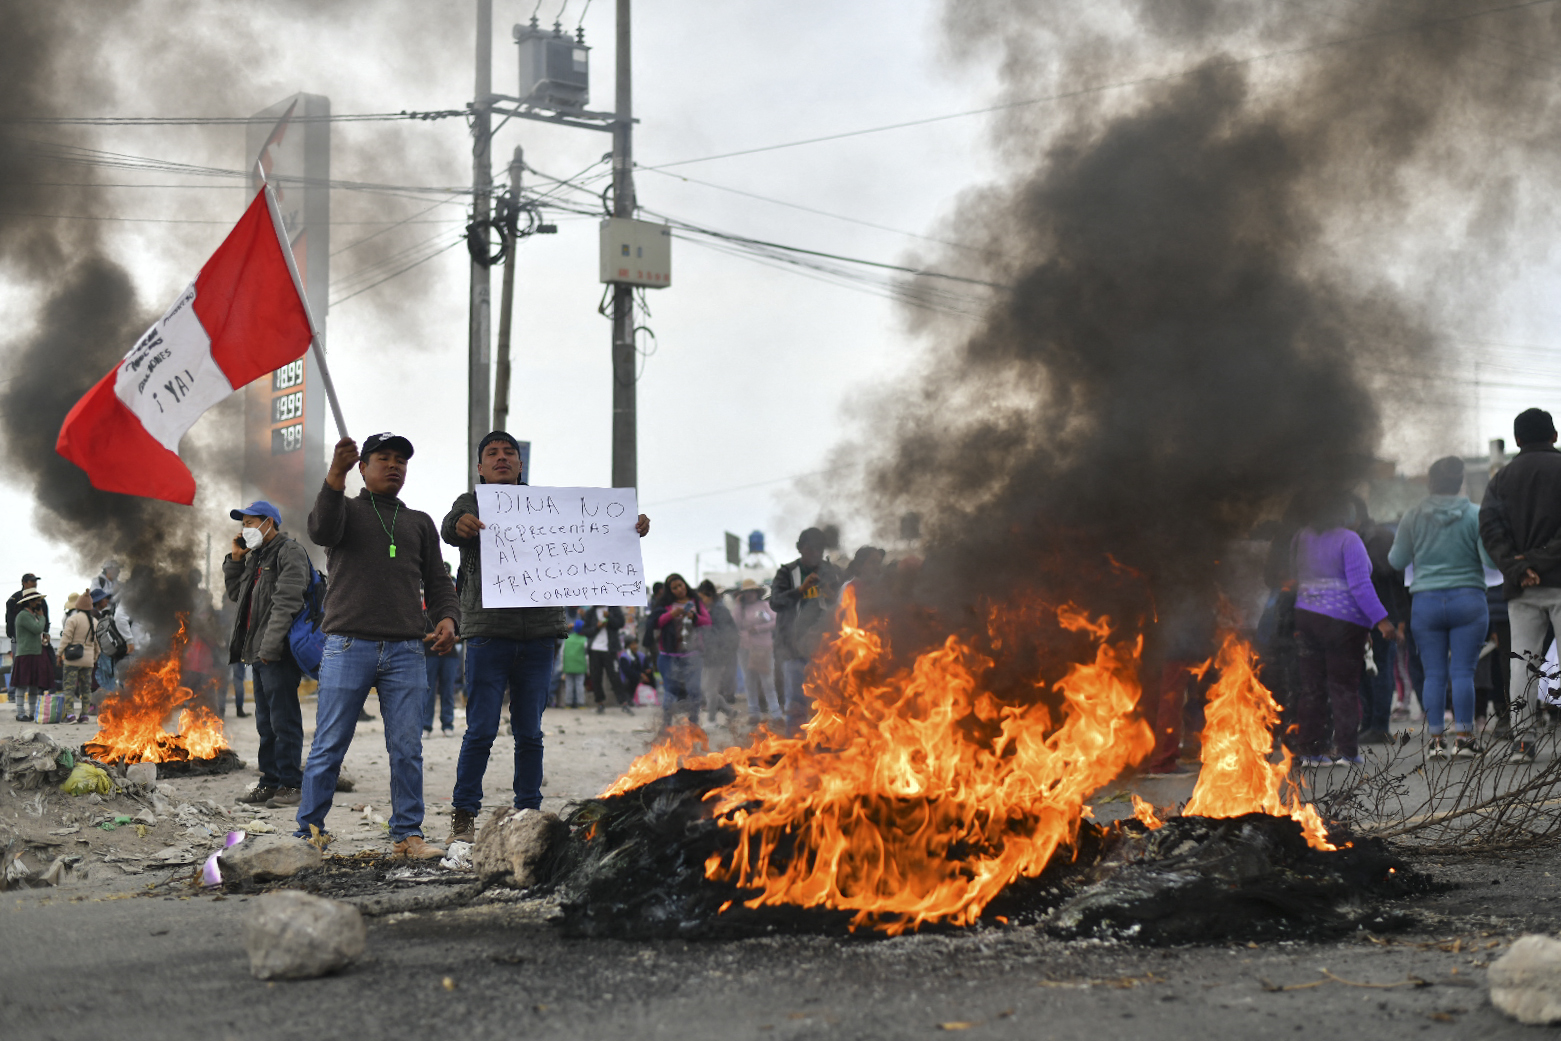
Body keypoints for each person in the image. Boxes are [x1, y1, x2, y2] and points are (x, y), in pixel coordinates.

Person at [439, 430, 650, 844]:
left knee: (530, 732)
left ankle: (528, 812)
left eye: (509, 453)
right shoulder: (472, 502)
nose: (501, 459)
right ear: (479, 468)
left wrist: (630, 526)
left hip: (539, 636)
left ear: (521, 464)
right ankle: (464, 814)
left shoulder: (547, 506)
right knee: (480, 730)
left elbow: (600, 536)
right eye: (492, 454)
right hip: (486, 634)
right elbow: (449, 528)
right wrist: (459, 525)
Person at [296, 432, 459, 860]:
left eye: (400, 460)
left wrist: (447, 617)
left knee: (407, 747)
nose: (393, 466)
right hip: (349, 645)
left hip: (407, 650)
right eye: (382, 459)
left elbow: (439, 580)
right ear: (363, 468)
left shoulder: (419, 522)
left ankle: (408, 834)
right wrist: (335, 473)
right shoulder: (345, 510)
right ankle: (309, 833)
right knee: (329, 744)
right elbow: (320, 528)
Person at [1389, 456, 1495, 757]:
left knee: (1433, 674)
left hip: (1426, 601)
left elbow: (1396, 560)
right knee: (1463, 672)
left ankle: (1436, 742)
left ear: (1430, 482)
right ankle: (1464, 738)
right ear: (1459, 482)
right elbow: (1489, 560)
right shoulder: (1475, 514)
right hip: (1469, 599)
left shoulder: (1413, 515)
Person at [1290, 493, 1397, 766]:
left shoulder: (1301, 537)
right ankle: (1347, 751)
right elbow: (1361, 586)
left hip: (1305, 617)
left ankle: (1310, 751)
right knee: (1344, 688)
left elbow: (1294, 574)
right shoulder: (1350, 540)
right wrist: (1381, 621)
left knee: (1311, 688)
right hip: (1343, 623)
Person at [1479, 408, 1561, 762]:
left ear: (1517, 440)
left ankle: (1522, 742)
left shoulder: (1500, 479)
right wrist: (1538, 562)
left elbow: (1489, 530)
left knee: (1522, 663)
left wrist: (1518, 567)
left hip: (1521, 589)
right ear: (1554, 435)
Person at [223, 500, 313, 807]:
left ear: (269, 523)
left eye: (250, 523)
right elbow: (237, 595)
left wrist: (270, 647)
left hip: (277, 651)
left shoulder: (290, 553)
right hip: (258, 651)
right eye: (243, 524)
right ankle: (270, 781)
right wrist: (235, 560)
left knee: (283, 719)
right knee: (266, 722)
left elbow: (287, 603)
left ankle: (291, 784)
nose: (245, 529)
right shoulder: (256, 558)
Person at [768, 528, 845, 735]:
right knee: (796, 703)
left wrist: (832, 596)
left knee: (830, 701)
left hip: (826, 648)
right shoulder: (787, 572)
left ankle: (827, 746)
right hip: (793, 649)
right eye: (810, 549)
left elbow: (843, 604)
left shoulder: (833, 572)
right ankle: (795, 748)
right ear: (801, 549)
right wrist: (800, 590)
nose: (815, 554)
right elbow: (775, 602)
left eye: (819, 549)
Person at [655, 573, 710, 730]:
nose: (679, 590)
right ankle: (666, 727)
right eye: (674, 588)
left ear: (685, 584)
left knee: (694, 691)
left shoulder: (696, 603)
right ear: (669, 591)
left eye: (681, 585)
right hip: (669, 656)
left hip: (692, 655)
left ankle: (693, 726)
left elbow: (707, 621)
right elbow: (657, 622)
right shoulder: (664, 605)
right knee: (669, 693)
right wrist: (671, 614)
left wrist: (694, 617)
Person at [734, 580, 778, 726]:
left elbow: (775, 622)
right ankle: (753, 712)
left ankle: (775, 713)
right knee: (749, 681)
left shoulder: (765, 606)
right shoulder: (741, 608)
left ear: (757, 593)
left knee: (767, 681)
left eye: (752, 591)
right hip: (745, 648)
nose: (749, 594)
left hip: (763, 648)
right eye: (746, 592)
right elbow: (736, 623)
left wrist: (758, 629)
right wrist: (738, 605)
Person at [696, 580, 740, 725]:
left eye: (702, 598)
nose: (700, 601)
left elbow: (725, 634)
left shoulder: (719, 611)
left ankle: (712, 720)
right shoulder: (708, 611)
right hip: (709, 655)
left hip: (717, 655)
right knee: (707, 688)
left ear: (710, 596)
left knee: (709, 688)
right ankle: (729, 711)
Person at [580, 605, 629, 714]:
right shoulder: (591, 612)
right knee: (596, 677)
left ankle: (623, 702)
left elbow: (620, 623)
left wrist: (610, 617)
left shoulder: (613, 608)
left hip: (610, 649)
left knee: (615, 676)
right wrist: (597, 627)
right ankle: (600, 703)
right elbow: (586, 631)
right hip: (594, 649)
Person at [11, 590, 52, 722]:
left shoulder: (33, 615)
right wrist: (42, 617)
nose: (40, 603)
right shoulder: (23, 615)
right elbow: (36, 628)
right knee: (21, 685)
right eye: (37, 600)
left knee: (34, 685)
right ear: (30, 602)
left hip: (35, 653)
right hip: (25, 653)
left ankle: (33, 713)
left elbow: (39, 630)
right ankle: (20, 712)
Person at [58, 592, 98, 723]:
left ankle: (70, 715)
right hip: (88, 660)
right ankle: (84, 715)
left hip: (72, 659)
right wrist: (94, 657)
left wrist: (59, 653)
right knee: (86, 688)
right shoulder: (95, 622)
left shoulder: (73, 619)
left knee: (69, 687)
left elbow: (66, 638)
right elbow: (97, 644)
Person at [618, 636, 655, 704]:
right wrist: (640, 675)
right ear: (628, 646)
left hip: (641, 678)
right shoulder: (624, 657)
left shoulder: (641, 656)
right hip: (629, 680)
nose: (635, 646)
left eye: (636, 644)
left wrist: (647, 671)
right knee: (631, 679)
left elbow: (646, 667)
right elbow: (627, 671)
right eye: (633, 644)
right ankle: (629, 699)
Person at [560, 624, 588, 708]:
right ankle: (581, 704)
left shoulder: (567, 639)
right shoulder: (584, 640)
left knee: (569, 686)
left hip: (568, 667)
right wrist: (588, 669)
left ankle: (568, 704)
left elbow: (562, 653)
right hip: (580, 667)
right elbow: (587, 656)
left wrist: (562, 666)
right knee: (579, 685)